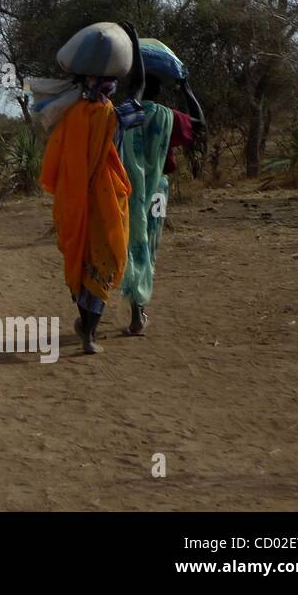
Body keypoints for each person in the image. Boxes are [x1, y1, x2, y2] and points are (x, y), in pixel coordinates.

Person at [39, 22, 143, 354]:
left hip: (73, 201)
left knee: (79, 261)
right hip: (107, 201)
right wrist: (135, 44)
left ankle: (86, 329)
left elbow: (53, 164)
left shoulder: (69, 117)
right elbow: (139, 89)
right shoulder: (114, 115)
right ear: (108, 87)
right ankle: (89, 335)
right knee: (105, 260)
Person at [119, 72, 205, 335]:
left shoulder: (123, 113)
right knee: (149, 244)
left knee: (130, 243)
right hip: (158, 190)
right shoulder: (168, 116)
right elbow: (200, 123)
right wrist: (187, 89)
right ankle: (139, 310)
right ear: (158, 94)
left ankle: (134, 310)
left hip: (128, 189)